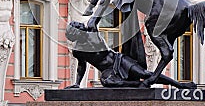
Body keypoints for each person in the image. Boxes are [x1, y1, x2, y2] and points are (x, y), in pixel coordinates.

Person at [65, 21, 196, 89]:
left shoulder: (92, 32)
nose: (81, 27)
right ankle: (137, 85)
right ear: (76, 34)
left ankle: (180, 85)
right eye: (77, 28)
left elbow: (101, 8)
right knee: (107, 82)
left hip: (118, 60)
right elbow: (81, 67)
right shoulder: (78, 50)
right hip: (107, 71)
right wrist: (77, 83)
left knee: (144, 74)